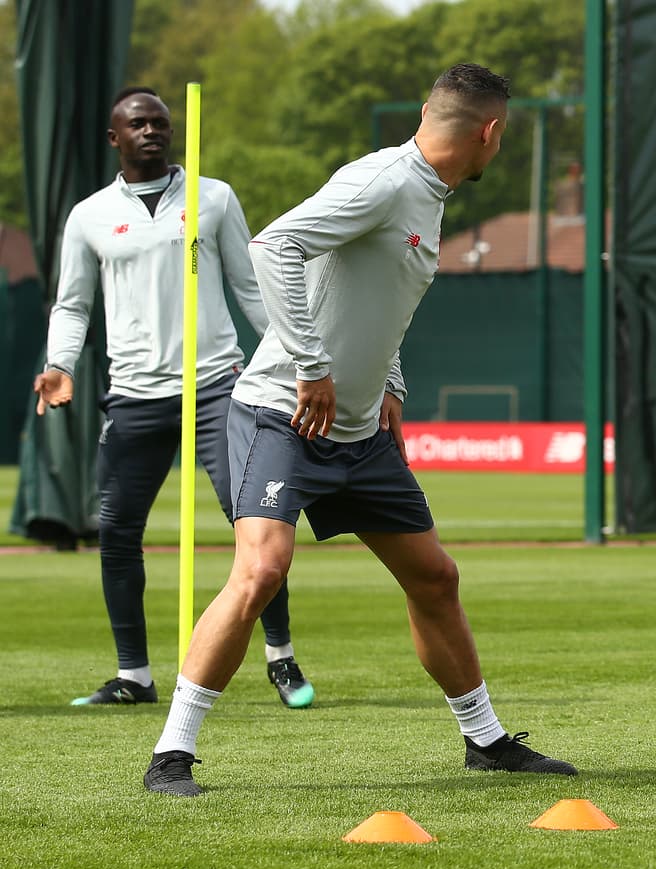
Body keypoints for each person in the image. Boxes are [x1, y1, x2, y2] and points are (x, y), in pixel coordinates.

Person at [142, 63, 577, 797]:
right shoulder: (380, 181)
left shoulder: (428, 197)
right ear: (490, 133)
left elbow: (374, 302)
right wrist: (311, 365)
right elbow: (272, 246)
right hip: (282, 412)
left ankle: (486, 739)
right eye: (502, 138)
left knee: (435, 578)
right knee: (261, 570)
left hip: (361, 433)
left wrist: (391, 383)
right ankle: (171, 754)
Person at [34, 87, 314, 710]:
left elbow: (249, 286)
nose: (151, 132)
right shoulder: (90, 215)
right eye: (138, 124)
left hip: (217, 387)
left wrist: (295, 361)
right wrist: (59, 364)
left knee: (256, 523)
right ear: (116, 138)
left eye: (160, 123)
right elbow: (74, 303)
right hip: (134, 395)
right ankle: (133, 675)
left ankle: (281, 657)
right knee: (116, 530)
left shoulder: (213, 198)